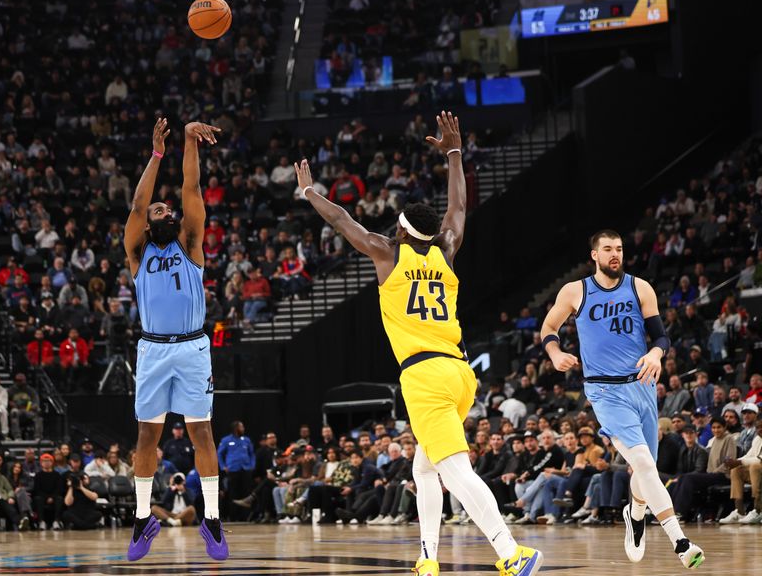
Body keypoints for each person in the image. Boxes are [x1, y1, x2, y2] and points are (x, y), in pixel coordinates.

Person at [295, 111, 542, 576]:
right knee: (424, 471)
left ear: (404, 229)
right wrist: (453, 154)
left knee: (455, 472)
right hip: (459, 373)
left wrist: (309, 192)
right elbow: (458, 210)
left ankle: (510, 553)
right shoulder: (446, 249)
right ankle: (427, 559)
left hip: (425, 376)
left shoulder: (388, 253)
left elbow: (344, 219)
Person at [541, 229, 704, 568]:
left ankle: (636, 512)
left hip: (642, 386)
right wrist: (554, 352)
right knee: (643, 464)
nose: (615, 254)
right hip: (604, 390)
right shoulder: (576, 291)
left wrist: (657, 354)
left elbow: (660, 336)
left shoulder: (639, 287)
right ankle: (681, 542)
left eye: (619, 249)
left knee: (646, 468)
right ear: (594, 256)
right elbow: (548, 328)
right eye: (608, 249)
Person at [122, 119, 226, 561]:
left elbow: (192, 187)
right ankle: (143, 517)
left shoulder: (190, 242)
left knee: (202, 432)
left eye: (168, 211)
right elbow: (137, 204)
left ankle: (214, 519)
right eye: (157, 212)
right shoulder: (138, 250)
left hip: (192, 347)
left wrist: (187, 140)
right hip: (151, 347)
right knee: (147, 435)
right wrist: (157, 153)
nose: (162, 212)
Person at [719, 414, 762, 524]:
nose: (759, 430)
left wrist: (739, 462)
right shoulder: (757, 438)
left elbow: (759, 459)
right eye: (757, 427)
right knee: (736, 469)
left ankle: (758, 510)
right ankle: (739, 511)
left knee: (755, 466)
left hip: (758, 470)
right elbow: (749, 455)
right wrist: (734, 461)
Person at [33, 452, 65, 530]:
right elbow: (37, 489)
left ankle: (56, 521)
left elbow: (59, 489)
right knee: (38, 498)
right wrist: (47, 497)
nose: (46, 463)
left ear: (52, 462)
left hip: (54, 496)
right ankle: (41, 522)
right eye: (44, 461)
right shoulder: (38, 475)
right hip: (42, 497)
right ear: (41, 463)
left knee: (59, 498)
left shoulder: (57, 475)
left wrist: (52, 497)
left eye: (48, 461)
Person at [8, 372, 42, 439]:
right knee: (14, 413)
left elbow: (36, 401)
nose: (20, 382)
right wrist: (10, 404)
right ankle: (17, 437)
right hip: (17, 410)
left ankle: (38, 436)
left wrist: (33, 406)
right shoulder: (11, 390)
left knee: (38, 416)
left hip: (28, 410)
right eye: (18, 381)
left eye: (22, 380)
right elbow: (6, 401)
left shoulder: (31, 390)